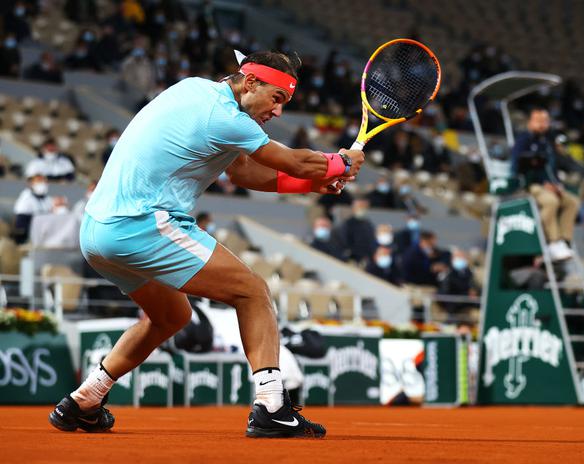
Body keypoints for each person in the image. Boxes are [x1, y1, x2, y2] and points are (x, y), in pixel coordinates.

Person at [48, 50, 365, 439]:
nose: (278, 112)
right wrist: (340, 163)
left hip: (97, 233)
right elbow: (296, 162)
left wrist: (314, 182)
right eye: (277, 99)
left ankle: (85, 400)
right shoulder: (227, 118)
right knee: (253, 292)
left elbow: (245, 172)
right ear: (251, 83)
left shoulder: (196, 90)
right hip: (142, 224)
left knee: (171, 318)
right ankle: (271, 407)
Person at [511, 108, 580, 261]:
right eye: (539, 121)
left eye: (545, 121)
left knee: (572, 202)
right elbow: (517, 167)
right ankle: (552, 242)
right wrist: (543, 183)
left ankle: (564, 240)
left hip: (550, 185)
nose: (543, 125)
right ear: (530, 122)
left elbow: (551, 168)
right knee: (551, 201)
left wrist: (557, 184)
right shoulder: (523, 140)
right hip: (531, 185)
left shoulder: (547, 141)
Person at [12, 164, 54, 244]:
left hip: (47, 234)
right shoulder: (25, 196)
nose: (42, 183)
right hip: (29, 235)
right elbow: (21, 222)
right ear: (30, 183)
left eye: (44, 181)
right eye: (38, 180)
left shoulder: (48, 199)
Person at [336, 197, 376, 265]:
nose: (362, 209)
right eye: (359, 206)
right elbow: (344, 243)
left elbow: (371, 241)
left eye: (364, 207)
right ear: (354, 208)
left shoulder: (368, 224)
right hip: (353, 260)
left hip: (367, 259)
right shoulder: (348, 224)